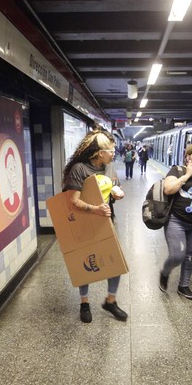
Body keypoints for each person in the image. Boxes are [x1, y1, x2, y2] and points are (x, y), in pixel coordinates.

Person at [62, 128, 128, 323]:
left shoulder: (109, 168)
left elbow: (114, 186)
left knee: (115, 262)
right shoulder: (79, 169)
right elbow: (72, 201)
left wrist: (117, 193)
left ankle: (111, 301)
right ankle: (84, 303)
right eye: (111, 151)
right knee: (86, 263)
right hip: (85, 222)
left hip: (106, 221)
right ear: (100, 153)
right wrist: (95, 209)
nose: (114, 154)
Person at [159, 144, 192, 300]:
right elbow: (168, 189)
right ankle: (165, 273)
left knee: (190, 256)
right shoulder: (176, 170)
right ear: (187, 156)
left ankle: (183, 286)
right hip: (176, 221)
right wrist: (187, 175)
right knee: (177, 255)